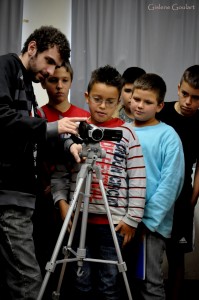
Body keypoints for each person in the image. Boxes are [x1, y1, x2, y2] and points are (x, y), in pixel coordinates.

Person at [0, 25, 87, 300]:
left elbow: (36, 130)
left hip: (21, 198)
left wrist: (68, 143)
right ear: (33, 47)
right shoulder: (7, 66)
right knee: (29, 283)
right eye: (50, 61)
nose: (51, 72)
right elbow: (2, 117)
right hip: (8, 197)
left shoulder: (27, 84)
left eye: (57, 66)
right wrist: (54, 127)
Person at [55, 65, 146, 300]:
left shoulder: (128, 134)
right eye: (97, 99)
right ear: (87, 97)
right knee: (80, 281)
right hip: (79, 219)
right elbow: (62, 171)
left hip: (113, 222)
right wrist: (62, 202)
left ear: (119, 102)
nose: (103, 106)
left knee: (109, 281)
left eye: (110, 101)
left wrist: (131, 219)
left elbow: (137, 178)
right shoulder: (75, 130)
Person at [129, 73, 185, 300]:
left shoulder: (168, 135)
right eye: (136, 99)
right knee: (122, 281)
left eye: (148, 102)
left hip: (150, 227)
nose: (140, 106)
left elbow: (171, 183)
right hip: (123, 223)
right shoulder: (122, 130)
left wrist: (146, 222)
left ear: (160, 105)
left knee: (150, 284)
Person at [34, 61, 90, 278]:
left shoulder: (83, 116)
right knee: (46, 253)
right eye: (53, 80)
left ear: (71, 83)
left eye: (64, 80)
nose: (59, 86)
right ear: (44, 83)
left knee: (74, 254)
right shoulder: (38, 116)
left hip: (77, 195)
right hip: (44, 197)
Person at [156, 65, 199, 300]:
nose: (188, 102)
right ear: (178, 88)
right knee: (149, 254)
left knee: (177, 257)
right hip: (157, 196)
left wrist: (192, 198)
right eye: (185, 94)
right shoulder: (162, 114)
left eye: (196, 98)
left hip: (183, 200)